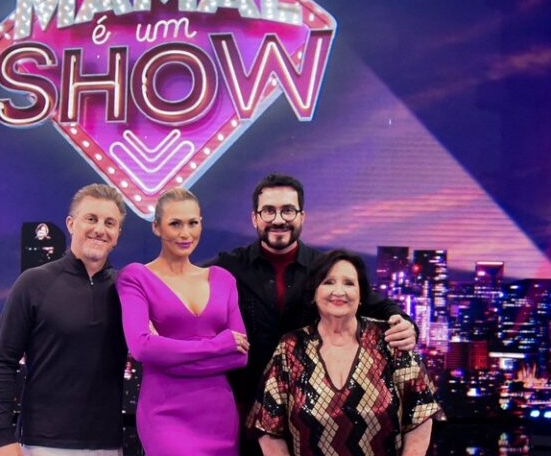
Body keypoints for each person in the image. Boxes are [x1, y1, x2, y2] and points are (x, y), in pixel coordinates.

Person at [206, 174, 417, 454]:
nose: (278, 219)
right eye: (268, 211)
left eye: (288, 210)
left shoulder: (325, 269)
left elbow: (375, 303)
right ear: (254, 218)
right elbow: (179, 285)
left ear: (302, 216)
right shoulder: (228, 267)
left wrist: (405, 323)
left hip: (312, 418)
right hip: (243, 412)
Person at [248, 249, 440, 455]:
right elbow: (269, 428)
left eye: (349, 283)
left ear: (361, 295)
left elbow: (421, 414)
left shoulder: (390, 340)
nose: (339, 291)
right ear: (314, 293)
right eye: (328, 282)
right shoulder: (291, 347)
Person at [0, 184, 127, 456]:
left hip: (109, 445)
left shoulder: (128, 289)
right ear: (71, 224)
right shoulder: (33, 283)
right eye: (91, 219)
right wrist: (3, 438)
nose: (100, 229)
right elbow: (2, 363)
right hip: (42, 445)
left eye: (109, 223)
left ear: (117, 235)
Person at [116, 188, 249, 456]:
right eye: (175, 224)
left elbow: (239, 356)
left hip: (218, 414)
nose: (185, 233)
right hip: (165, 412)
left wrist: (167, 355)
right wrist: (218, 345)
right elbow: (141, 347)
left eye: (193, 223)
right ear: (156, 227)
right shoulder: (136, 277)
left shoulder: (223, 279)